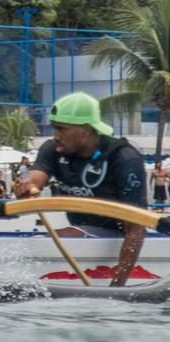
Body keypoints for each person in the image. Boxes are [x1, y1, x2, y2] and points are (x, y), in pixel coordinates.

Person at [13, 92, 148, 287]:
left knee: (47, 239)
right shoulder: (53, 149)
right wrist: (28, 186)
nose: (55, 136)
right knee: (45, 237)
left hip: (117, 234)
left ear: (85, 130)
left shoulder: (124, 159)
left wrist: (117, 289)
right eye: (54, 128)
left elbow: (136, 229)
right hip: (82, 230)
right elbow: (37, 176)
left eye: (62, 129)